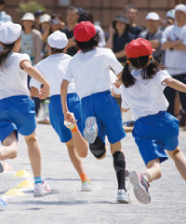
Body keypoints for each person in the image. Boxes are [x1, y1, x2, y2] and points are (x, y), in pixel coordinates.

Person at [113, 38, 186, 205]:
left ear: (128, 61)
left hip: (143, 127)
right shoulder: (156, 73)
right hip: (165, 122)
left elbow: (126, 108)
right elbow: (171, 82)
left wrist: (117, 87)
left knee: (155, 167)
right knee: (176, 152)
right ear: (151, 58)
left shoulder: (127, 84)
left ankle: (144, 177)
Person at [0, 22, 51, 197]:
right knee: (31, 141)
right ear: (18, 40)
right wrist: (46, 83)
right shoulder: (21, 57)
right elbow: (29, 68)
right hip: (21, 104)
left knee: (11, 150)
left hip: (2, 106)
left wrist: (2, 87)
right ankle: (38, 184)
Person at [60, 21, 129, 203]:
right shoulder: (105, 53)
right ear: (96, 37)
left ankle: (95, 139)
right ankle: (121, 190)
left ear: (77, 42)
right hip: (106, 100)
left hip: (86, 104)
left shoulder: (73, 60)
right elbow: (122, 72)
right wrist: (118, 83)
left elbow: (64, 85)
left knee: (99, 155)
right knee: (117, 148)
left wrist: (66, 110)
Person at [30, 31, 92, 191]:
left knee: (70, 146)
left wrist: (42, 93)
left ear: (48, 47)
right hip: (77, 99)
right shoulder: (74, 60)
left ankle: (84, 179)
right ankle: (88, 135)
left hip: (57, 103)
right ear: (66, 46)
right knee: (82, 137)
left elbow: (33, 91)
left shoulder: (41, 65)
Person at [161, 4, 186, 123]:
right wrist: (178, 42)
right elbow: (163, 45)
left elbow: (185, 46)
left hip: (185, 68)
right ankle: (169, 122)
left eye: (181, 13)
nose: (178, 15)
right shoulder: (168, 29)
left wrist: (172, 44)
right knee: (168, 100)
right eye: (176, 13)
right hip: (170, 70)